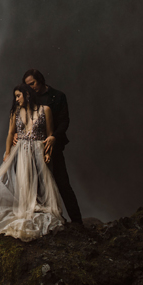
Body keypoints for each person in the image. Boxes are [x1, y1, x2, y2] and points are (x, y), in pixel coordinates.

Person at [0, 85, 64, 245]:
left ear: (27, 95)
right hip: (21, 152)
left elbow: (49, 133)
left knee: (42, 183)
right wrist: (7, 153)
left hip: (39, 151)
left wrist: (48, 152)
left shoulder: (45, 109)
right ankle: (25, 208)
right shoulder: (15, 113)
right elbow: (10, 133)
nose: (16, 99)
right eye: (16, 96)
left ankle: (36, 208)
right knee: (23, 183)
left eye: (18, 96)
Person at [22, 69, 83, 224]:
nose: (31, 87)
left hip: (52, 147)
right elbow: (20, 117)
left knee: (62, 183)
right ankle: (44, 222)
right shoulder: (28, 98)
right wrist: (16, 133)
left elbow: (64, 121)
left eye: (33, 83)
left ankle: (77, 222)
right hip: (31, 148)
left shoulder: (58, 96)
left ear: (40, 80)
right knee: (35, 185)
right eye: (27, 85)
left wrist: (54, 137)